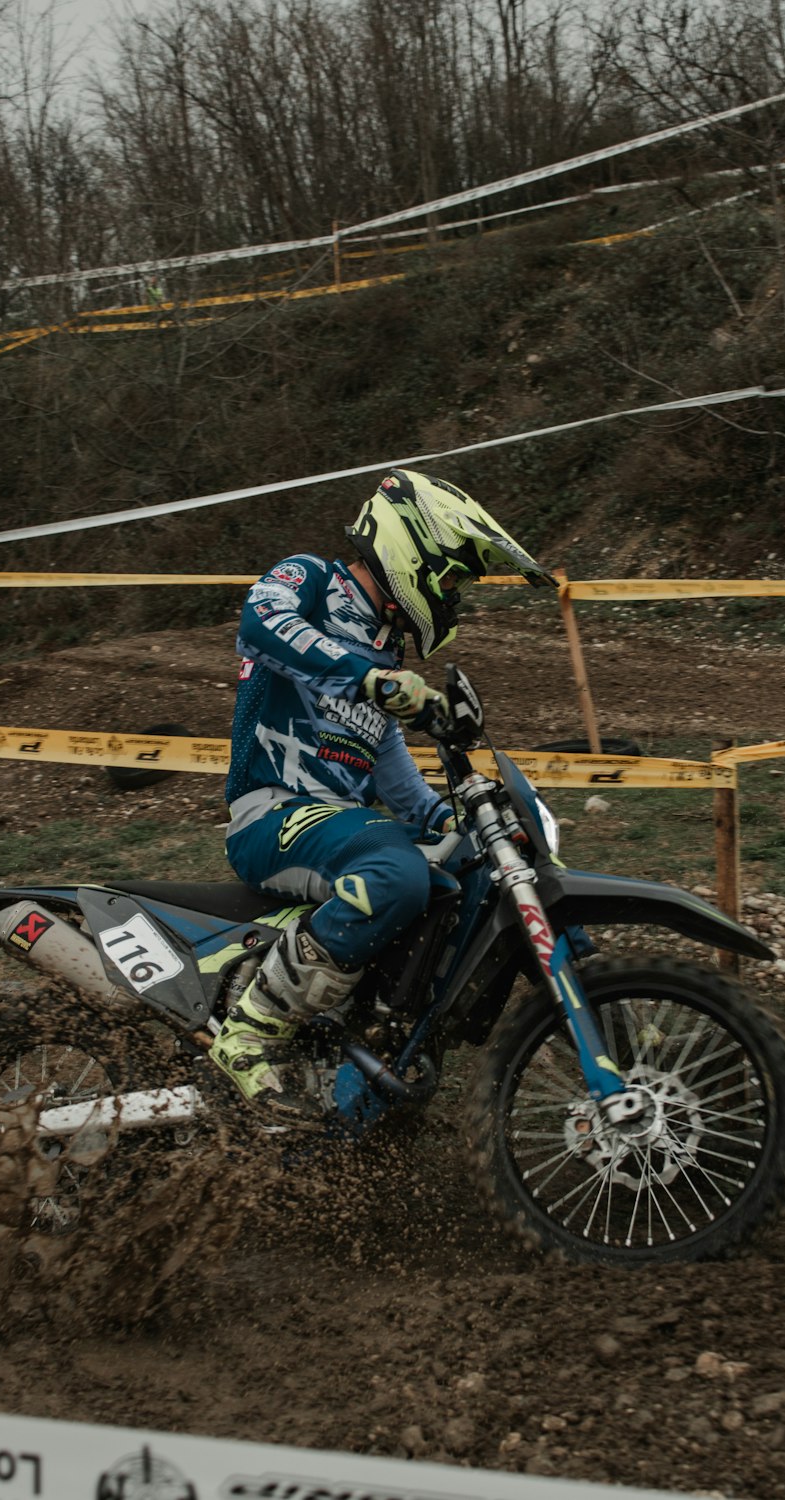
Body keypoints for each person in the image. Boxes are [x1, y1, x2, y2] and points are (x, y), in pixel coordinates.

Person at [211, 468, 555, 1116]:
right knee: (397, 873)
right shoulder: (310, 580)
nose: (454, 597)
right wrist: (372, 678)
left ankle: (367, 1065)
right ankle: (250, 1032)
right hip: (271, 812)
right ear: (416, 551)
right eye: (452, 579)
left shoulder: (386, 665)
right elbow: (260, 624)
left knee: (458, 869)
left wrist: (476, 828)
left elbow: (404, 790)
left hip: (337, 827)